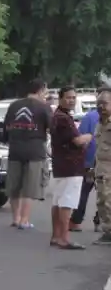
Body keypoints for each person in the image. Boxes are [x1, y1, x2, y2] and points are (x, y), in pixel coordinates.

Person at [2, 78, 53, 229]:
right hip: (35, 150)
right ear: (41, 89)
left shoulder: (13, 106)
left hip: (15, 149)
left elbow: (5, 128)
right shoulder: (44, 107)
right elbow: (52, 128)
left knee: (14, 187)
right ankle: (24, 220)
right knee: (29, 187)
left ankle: (16, 218)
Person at [48, 87, 91, 249]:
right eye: (68, 97)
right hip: (71, 166)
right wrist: (89, 137)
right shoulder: (64, 119)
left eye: (74, 97)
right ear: (60, 98)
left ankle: (56, 236)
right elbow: (77, 141)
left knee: (58, 202)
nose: (71, 100)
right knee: (67, 203)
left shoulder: (57, 116)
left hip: (60, 165)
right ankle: (64, 238)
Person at [72, 98, 101, 231]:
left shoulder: (89, 116)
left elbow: (82, 139)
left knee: (84, 191)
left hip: (90, 161)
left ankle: (76, 221)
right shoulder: (91, 116)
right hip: (95, 161)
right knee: (105, 193)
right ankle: (101, 221)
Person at [92, 88, 111, 245]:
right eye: (98, 104)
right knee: (101, 202)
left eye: (104, 103)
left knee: (108, 202)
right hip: (100, 169)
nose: (101, 107)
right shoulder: (99, 123)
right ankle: (108, 232)